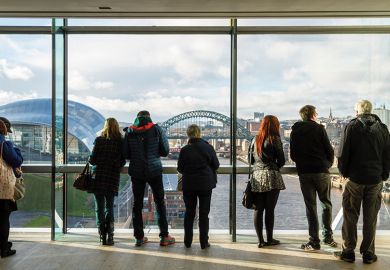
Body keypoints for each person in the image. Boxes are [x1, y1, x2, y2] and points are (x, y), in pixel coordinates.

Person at [334, 100, 390, 264]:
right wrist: (384, 174)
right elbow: (387, 155)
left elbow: (343, 152)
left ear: (357, 112)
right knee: (370, 218)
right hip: (375, 179)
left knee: (350, 216)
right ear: (371, 112)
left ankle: (348, 252)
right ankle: (368, 253)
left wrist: (344, 172)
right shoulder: (383, 129)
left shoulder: (351, 127)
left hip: (355, 179)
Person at [123, 110, 175, 246]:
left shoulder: (129, 131)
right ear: (149, 117)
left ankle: (139, 237)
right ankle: (164, 236)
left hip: (137, 172)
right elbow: (165, 151)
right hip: (154, 170)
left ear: (137, 118)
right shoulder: (157, 130)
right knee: (159, 203)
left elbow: (126, 154)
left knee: (137, 205)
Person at [290, 105, 337, 251]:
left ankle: (314, 241)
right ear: (313, 115)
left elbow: (293, 154)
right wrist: (327, 164)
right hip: (321, 171)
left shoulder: (295, 131)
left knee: (310, 207)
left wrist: (302, 164)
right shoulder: (319, 129)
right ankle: (328, 237)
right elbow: (330, 150)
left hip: (305, 172)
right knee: (326, 204)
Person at [177, 124, 219, 249]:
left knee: (189, 212)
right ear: (199, 133)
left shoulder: (184, 150)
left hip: (189, 184)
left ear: (188, 135)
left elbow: (180, 168)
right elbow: (216, 165)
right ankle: (204, 242)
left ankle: (188, 241)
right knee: (204, 214)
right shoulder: (208, 147)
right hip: (205, 184)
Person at [248, 115, 285, 248]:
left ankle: (260, 240)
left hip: (257, 176)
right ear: (275, 126)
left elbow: (250, 161)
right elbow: (282, 160)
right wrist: (274, 165)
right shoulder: (274, 138)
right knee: (270, 209)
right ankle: (270, 239)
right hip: (271, 175)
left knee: (258, 209)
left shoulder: (254, 139)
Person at [89, 118, 125, 246]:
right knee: (109, 207)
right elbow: (123, 161)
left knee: (99, 207)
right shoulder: (120, 142)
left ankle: (101, 234)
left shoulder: (99, 140)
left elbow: (92, 160)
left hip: (98, 176)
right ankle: (110, 235)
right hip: (112, 177)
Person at [0, 117, 23, 258]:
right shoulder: (3, 142)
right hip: (2, 187)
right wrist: (17, 150)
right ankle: (4, 248)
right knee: (2, 218)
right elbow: (15, 160)